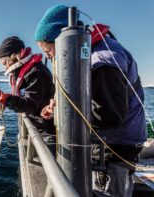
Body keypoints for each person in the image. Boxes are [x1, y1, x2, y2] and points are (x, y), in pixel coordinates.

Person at [34, 4, 147, 196]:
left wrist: (61, 114)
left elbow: (108, 115)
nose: (50, 58)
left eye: (49, 52)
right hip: (109, 142)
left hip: (115, 147)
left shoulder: (102, 62)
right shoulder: (89, 54)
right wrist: (58, 105)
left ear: (61, 41)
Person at [0, 36, 56, 154]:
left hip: (45, 131)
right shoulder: (24, 72)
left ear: (14, 56)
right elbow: (23, 98)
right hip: (36, 127)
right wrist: (5, 103)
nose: (5, 67)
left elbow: (30, 104)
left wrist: (5, 99)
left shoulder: (36, 72)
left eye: (5, 63)